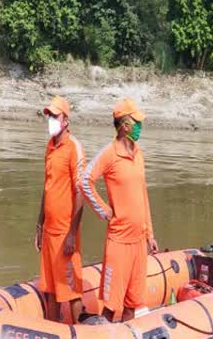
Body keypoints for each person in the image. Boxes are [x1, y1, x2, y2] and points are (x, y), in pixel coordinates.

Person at [80, 98, 159, 322]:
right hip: (119, 240)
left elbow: (143, 195)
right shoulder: (109, 153)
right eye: (137, 122)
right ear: (125, 125)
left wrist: (150, 234)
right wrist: (104, 210)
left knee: (132, 304)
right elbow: (85, 181)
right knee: (111, 306)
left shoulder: (138, 153)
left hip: (138, 241)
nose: (140, 126)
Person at [35, 96, 86, 322]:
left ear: (66, 120)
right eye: (49, 116)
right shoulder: (50, 147)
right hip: (48, 231)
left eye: (55, 116)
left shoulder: (73, 147)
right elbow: (47, 187)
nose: (51, 120)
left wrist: (72, 235)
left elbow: (81, 193)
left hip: (65, 233)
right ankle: (53, 334)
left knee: (72, 291)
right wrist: (39, 224)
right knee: (50, 291)